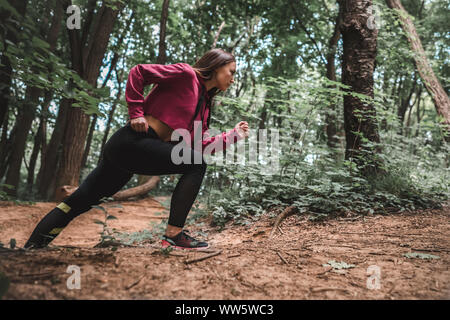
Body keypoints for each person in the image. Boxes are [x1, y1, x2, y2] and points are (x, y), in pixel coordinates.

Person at [24, 49, 249, 250]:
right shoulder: (186, 74)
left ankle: (30, 248)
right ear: (217, 66)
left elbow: (199, 146)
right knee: (196, 165)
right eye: (231, 71)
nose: (233, 78)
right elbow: (139, 72)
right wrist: (136, 113)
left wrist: (233, 136)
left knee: (78, 202)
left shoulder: (204, 107)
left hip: (136, 153)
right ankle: (173, 235)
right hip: (132, 141)